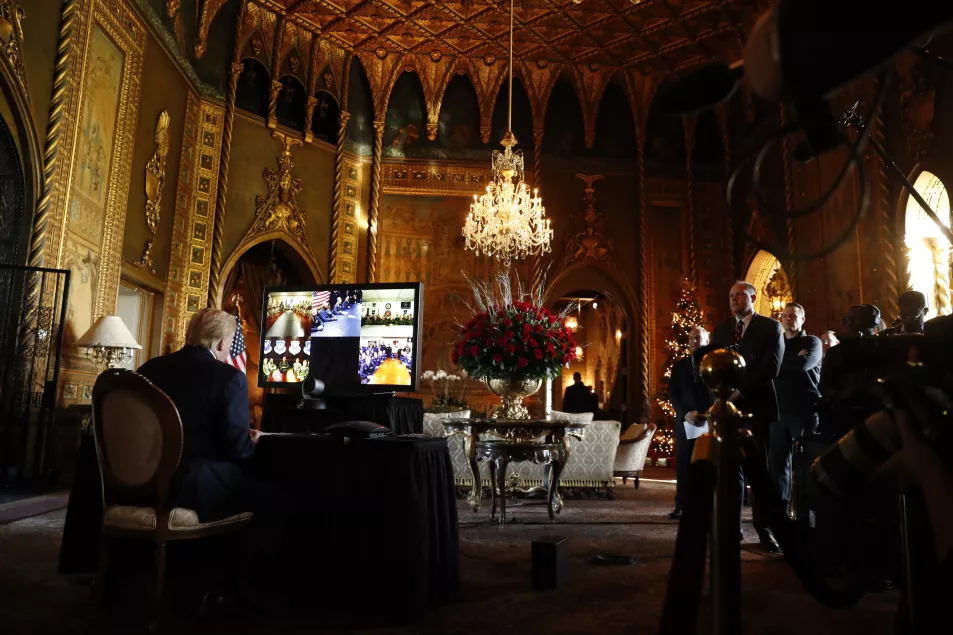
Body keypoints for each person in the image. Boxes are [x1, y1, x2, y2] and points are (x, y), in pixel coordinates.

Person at [138, 309, 258, 521]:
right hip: (190, 487)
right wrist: (253, 442)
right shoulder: (230, 378)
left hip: (140, 480)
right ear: (222, 343)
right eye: (230, 341)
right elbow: (238, 450)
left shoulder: (147, 369)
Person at [712, 281, 784, 552]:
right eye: (730, 295)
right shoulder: (721, 331)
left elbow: (771, 367)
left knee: (759, 470)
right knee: (730, 470)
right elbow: (714, 365)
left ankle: (765, 530)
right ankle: (732, 527)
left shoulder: (769, 327)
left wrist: (739, 392)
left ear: (753, 297)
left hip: (757, 407)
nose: (733, 299)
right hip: (728, 410)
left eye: (739, 295)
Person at [771, 303, 822, 518]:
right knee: (777, 466)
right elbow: (769, 369)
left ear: (802, 320)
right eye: (785, 316)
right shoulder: (776, 343)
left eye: (793, 316)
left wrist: (781, 364)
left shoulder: (812, 342)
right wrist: (790, 360)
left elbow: (802, 365)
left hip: (803, 411)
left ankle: (804, 514)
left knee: (803, 466)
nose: (788, 319)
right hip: (777, 411)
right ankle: (780, 514)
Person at [668, 326, 713, 519]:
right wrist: (686, 413)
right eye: (692, 338)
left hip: (707, 421)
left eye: (699, 338)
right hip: (684, 422)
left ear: (706, 341)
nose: (695, 341)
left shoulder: (713, 365)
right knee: (683, 464)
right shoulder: (679, 366)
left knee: (705, 464)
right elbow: (673, 393)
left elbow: (715, 392)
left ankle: (704, 506)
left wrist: (702, 413)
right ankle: (681, 505)